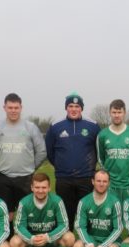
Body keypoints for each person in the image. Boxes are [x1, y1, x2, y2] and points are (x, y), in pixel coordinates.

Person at [0, 93, 46, 235]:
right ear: (4, 108)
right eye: (10, 107)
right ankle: (8, 244)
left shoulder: (30, 127)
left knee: (26, 212)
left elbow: (41, 151)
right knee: (6, 213)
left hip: (26, 177)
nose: (13, 110)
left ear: (21, 107)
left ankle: (26, 243)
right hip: (4, 177)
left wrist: (31, 167)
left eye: (16, 107)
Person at [45, 93, 100, 230]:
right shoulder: (55, 126)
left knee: (86, 213)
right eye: (70, 106)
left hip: (86, 178)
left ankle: (87, 243)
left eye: (77, 106)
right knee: (65, 214)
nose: (74, 109)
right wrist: (61, 165)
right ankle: (66, 241)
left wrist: (90, 167)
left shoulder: (93, 126)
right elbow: (50, 152)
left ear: (81, 108)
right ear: (66, 108)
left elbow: (99, 150)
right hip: (64, 178)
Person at [9, 173, 75, 247]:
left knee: (70, 238)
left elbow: (64, 225)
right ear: (32, 187)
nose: (40, 190)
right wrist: (31, 238)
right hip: (32, 240)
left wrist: (48, 237)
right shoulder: (24, 202)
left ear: (49, 188)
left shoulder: (57, 201)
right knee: (14, 242)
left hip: (51, 239)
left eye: (44, 187)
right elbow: (18, 226)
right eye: (37, 187)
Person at [72, 170, 123, 247]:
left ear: (108, 183)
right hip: (92, 238)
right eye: (98, 181)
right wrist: (89, 244)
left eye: (104, 181)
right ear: (93, 181)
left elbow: (118, 228)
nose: (101, 184)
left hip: (109, 239)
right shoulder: (84, 201)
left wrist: (103, 246)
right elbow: (80, 227)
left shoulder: (115, 202)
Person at [96, 99, 129, 202]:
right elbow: (101, 158)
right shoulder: (102, 135)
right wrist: (107, 177)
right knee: (112, 216)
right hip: (111, 185)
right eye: (114, 112)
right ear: (110, 113)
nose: (117, 115)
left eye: (119, 112)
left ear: (124, 113)